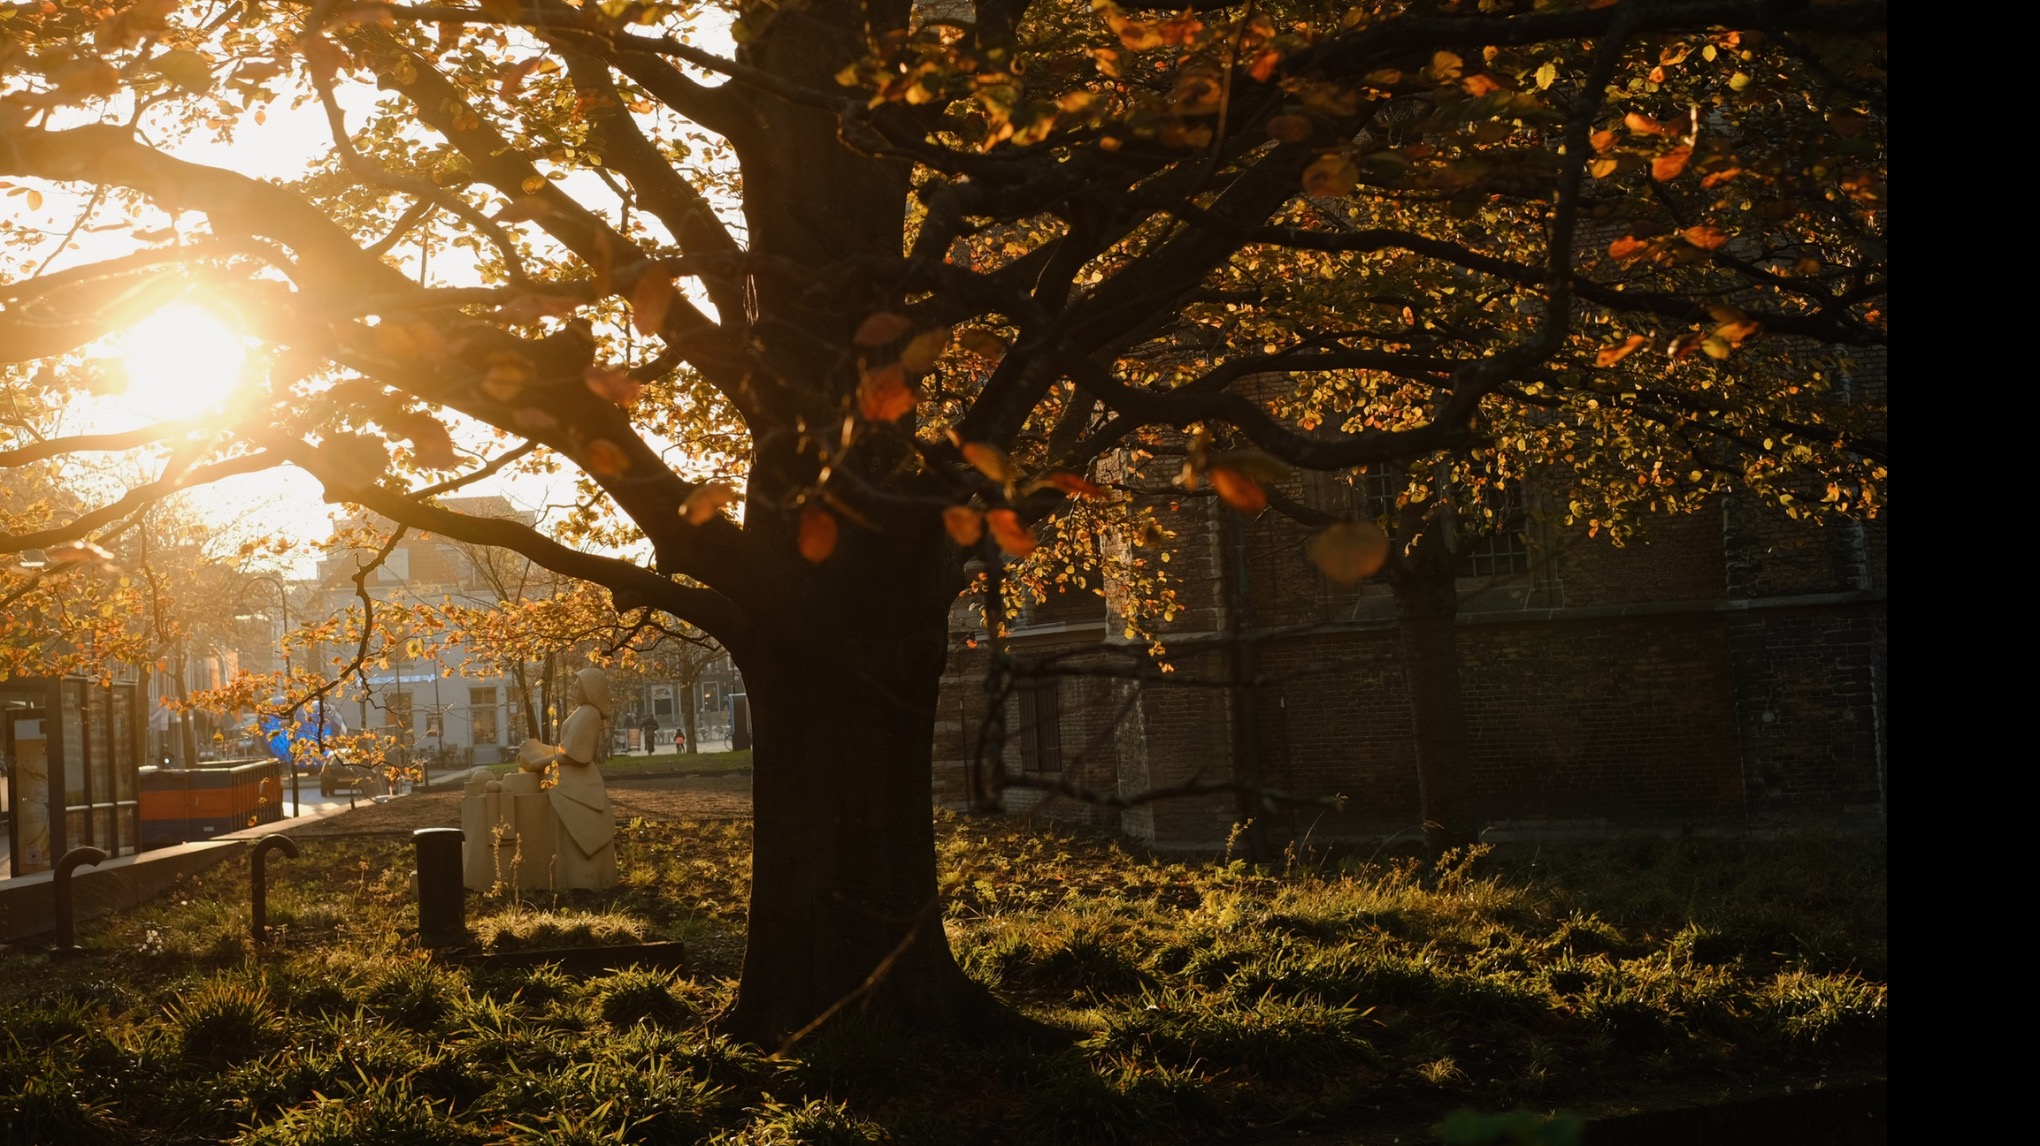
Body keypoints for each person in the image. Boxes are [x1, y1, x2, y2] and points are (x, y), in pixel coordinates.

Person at [512, 666, 618, 888]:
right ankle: (570, 877)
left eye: (577, 685)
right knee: (565, 832)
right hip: (567, 779)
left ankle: (582, 880)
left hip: (575, 782)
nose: (573, 689)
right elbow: (565, 749)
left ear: (589, 689)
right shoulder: (583, 711)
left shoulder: (589, 714)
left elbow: (576, 755)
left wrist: (538, 761)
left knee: (577, 830)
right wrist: (540, 750)